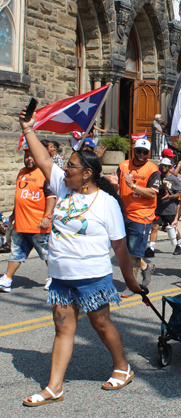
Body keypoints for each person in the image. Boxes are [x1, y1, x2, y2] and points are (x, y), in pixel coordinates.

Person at [18, 109, 144, 406]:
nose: (65, 168)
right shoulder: (64, 185)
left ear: (86, 173)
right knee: (63, 329)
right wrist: (28, 129)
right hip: (61, 278)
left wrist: (130, 281)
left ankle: (122, 367)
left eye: (71, 166)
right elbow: (45, 160)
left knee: (101, 325)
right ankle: (54, 387)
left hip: (92, 278)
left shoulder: (106, 204)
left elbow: (121, 248)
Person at [107, 139, 160, 297]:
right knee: (122, 249)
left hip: (142, 215)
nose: (141, 155)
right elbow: (117, 187)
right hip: (124, 213)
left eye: (145, 152)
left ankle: (132, 284)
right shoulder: (123, 165)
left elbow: (152, 193)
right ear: (134, 150)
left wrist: (133, 186)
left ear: (148, 154)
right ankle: (146, 267)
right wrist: (114, 183)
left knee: (134, 253)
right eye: (138, 151)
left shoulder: (153, 169)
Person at [0, 147, 56, 293]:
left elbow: (51, 197)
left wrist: (47, 217)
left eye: (32, 156)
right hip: (20, 223)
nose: (29, 159)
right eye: (27, 156)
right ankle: (7, 278)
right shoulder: (21, 173)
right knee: (16, 252)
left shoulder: (45, 174)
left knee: (46, 253)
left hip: (38, 224)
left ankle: (53, 278)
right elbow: (20, 198)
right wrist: (12, 216)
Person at [145, 158, 181, 257]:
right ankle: (151, 248)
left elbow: (180, 194)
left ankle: (179, 245)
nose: (163, 167)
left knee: (173, 228)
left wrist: (169, 196)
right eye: (162, 165)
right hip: (158, 208)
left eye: (166, 166)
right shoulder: (157, 177)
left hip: (170, 208)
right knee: (154, 227)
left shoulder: (174, 179)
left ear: (170, 167)